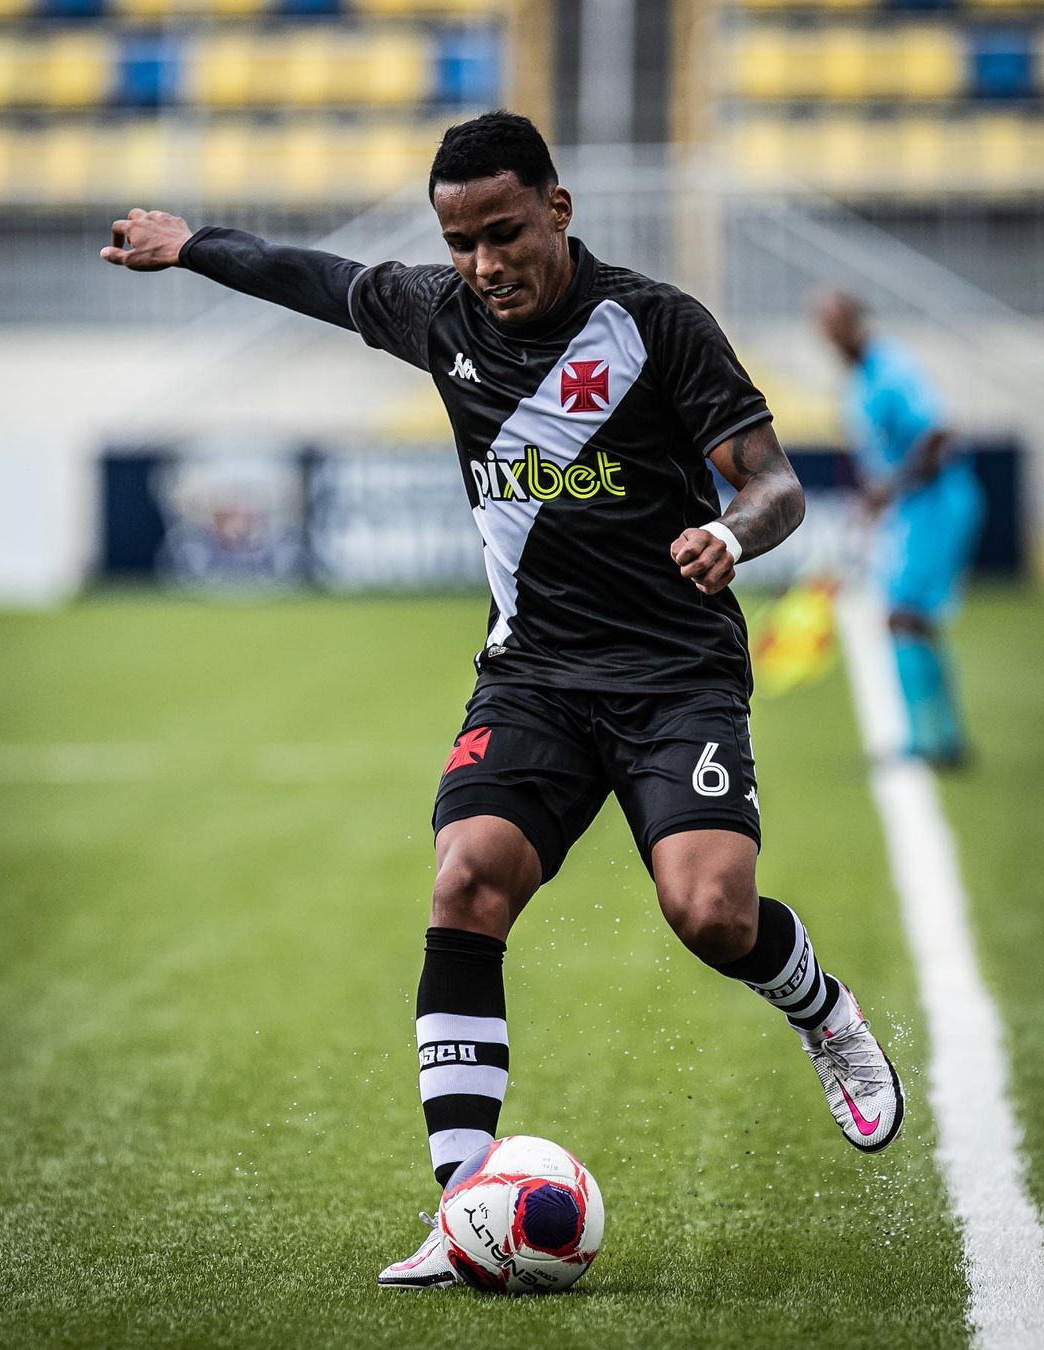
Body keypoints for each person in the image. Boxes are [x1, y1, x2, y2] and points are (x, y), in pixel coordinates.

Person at [103, 111, 904, 1289]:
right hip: (532, 673)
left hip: (674, 675)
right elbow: (317, 279)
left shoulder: (659, 325)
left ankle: (821, 1009)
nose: (485, 264)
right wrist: (194, 247)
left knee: (711, 915)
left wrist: (734, 535)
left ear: (557, 210)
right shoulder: (441, 315)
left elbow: (775, 482)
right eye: (461, 242)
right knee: (466, 881)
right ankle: (461, 1204)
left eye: (505, 233)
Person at [815, 292, 984, 767]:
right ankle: (942, 738)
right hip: (914, 507)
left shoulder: (891, 368)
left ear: (852, 322)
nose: (826, 335)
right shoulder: (859, 378)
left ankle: (929, 740)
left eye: (832, 323)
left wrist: (891, 488)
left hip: (937, 503)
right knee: (912, 620)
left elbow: (938, 435)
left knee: (903, 616)